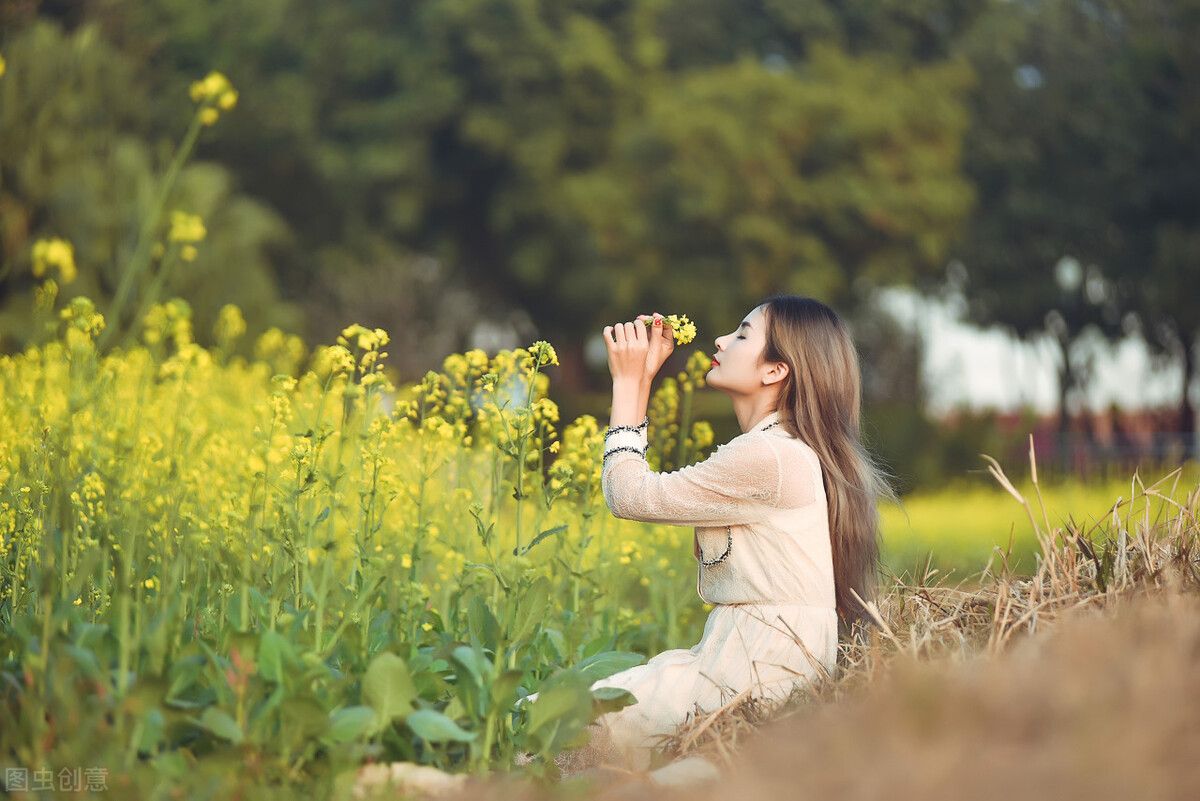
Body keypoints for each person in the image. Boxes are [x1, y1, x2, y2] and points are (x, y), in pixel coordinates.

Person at [576, 295, 893, 772]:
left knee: (555, 721)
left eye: (743, 334)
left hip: (747, 681)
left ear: (775, 371)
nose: (721, 340)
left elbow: (630, 495)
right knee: (574, 714)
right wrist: (640, 378)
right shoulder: (785, 451)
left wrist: (628, 382)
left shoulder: (769, 457)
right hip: (752, 668)